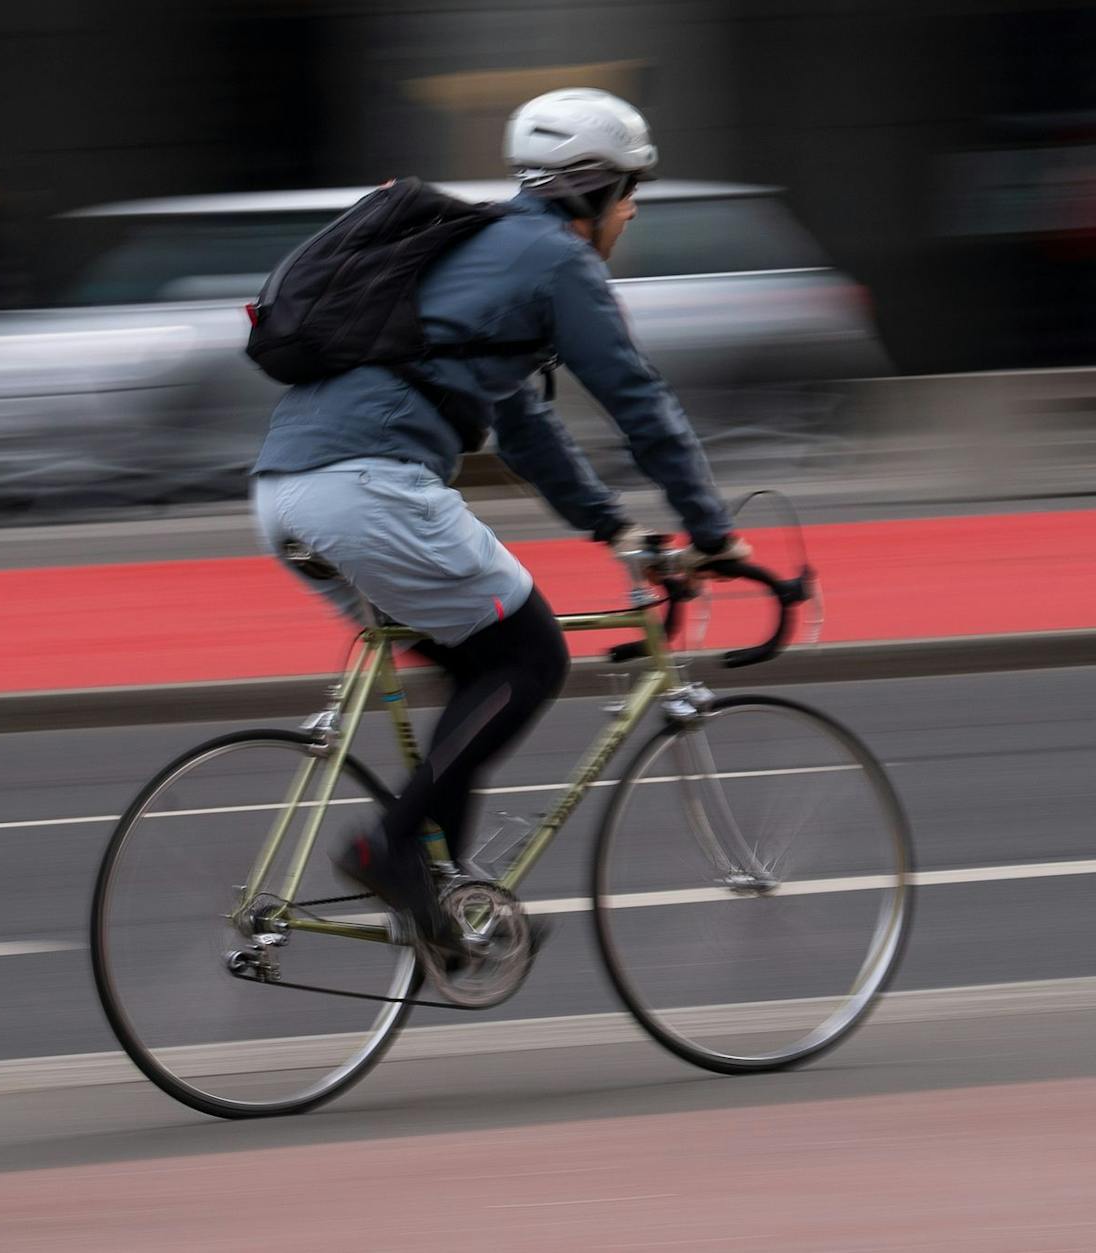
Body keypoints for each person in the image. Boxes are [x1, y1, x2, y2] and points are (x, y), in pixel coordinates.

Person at [250, 87, 751, 958]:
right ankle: (391, 849)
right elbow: (638, 399)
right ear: (593, 187)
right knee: (532, 656)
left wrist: (612, 526)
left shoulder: (480, 248)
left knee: (479, 670)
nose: (633, 209)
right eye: (631, 189)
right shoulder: (558, 260)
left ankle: (440, 898)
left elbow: (524, 426)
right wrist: (711, 532)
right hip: (369, 485)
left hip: (284, 490)